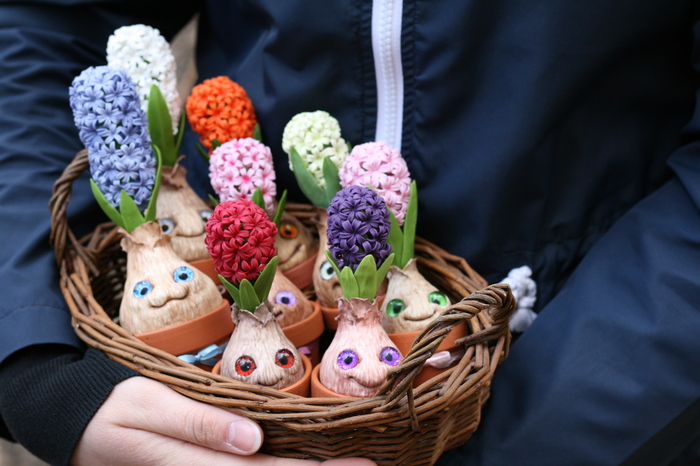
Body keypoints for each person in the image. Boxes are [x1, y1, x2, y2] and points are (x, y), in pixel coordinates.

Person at [1, 1, 700, 465]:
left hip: (597, 372)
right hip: (215, 373)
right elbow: (49, 17)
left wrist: (541, 437)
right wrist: (34, 352)